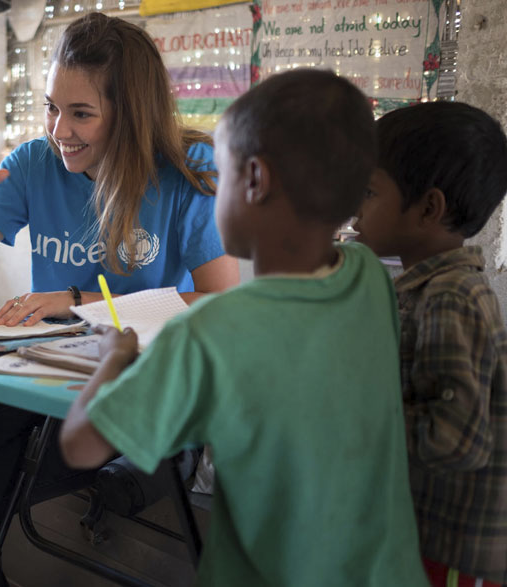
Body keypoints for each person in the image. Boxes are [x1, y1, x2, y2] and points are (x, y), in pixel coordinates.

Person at [59, 68, 429, 586]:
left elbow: (82, 445)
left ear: (253, 181)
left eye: (221, 175)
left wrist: (114, 360)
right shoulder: (369, 278)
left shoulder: (214, 330)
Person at [0, 11, 239, 586]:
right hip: (41, 380)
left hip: (131, 388)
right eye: (50, 106)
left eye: (81, 113)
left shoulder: (189, 170)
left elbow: (223, 304)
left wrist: (77, 298)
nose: (58, 129)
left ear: (131, 114)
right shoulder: (33, 164)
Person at [353, 102, 507, 586]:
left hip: (446, 549)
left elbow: (457, 440)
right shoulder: (427, 287)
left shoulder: (452, 296)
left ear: (429, 208)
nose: (356, 209)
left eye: (369, 192)